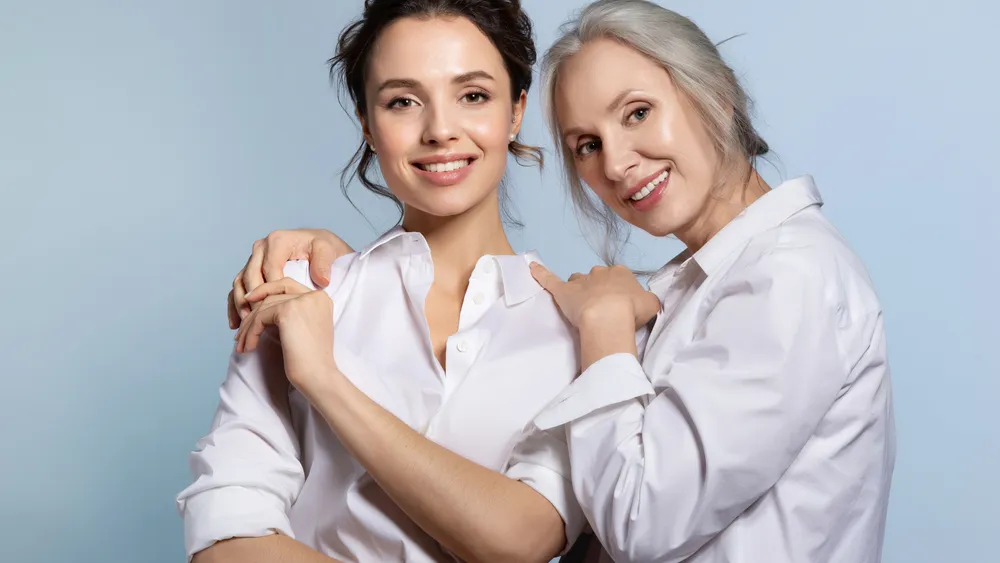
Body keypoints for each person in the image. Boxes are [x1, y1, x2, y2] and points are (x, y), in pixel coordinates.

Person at [229, 1, 896, 562]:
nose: (619, 162)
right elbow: (224, 516)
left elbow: (638, 520)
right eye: (586, 143)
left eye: (637, 112)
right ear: (368, 124)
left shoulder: (785, 276)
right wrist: (347, 274)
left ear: (715, 92)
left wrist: (603, 330)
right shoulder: (668, 290)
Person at [177, 1, 591, 562]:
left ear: (515, 110)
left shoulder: (581, 330)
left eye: (473, 95)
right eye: (403, 101)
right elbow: (224, 533)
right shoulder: (299, 291)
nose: (441, 130)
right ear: (368, 124)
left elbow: (528, 538)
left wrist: (323, 380)